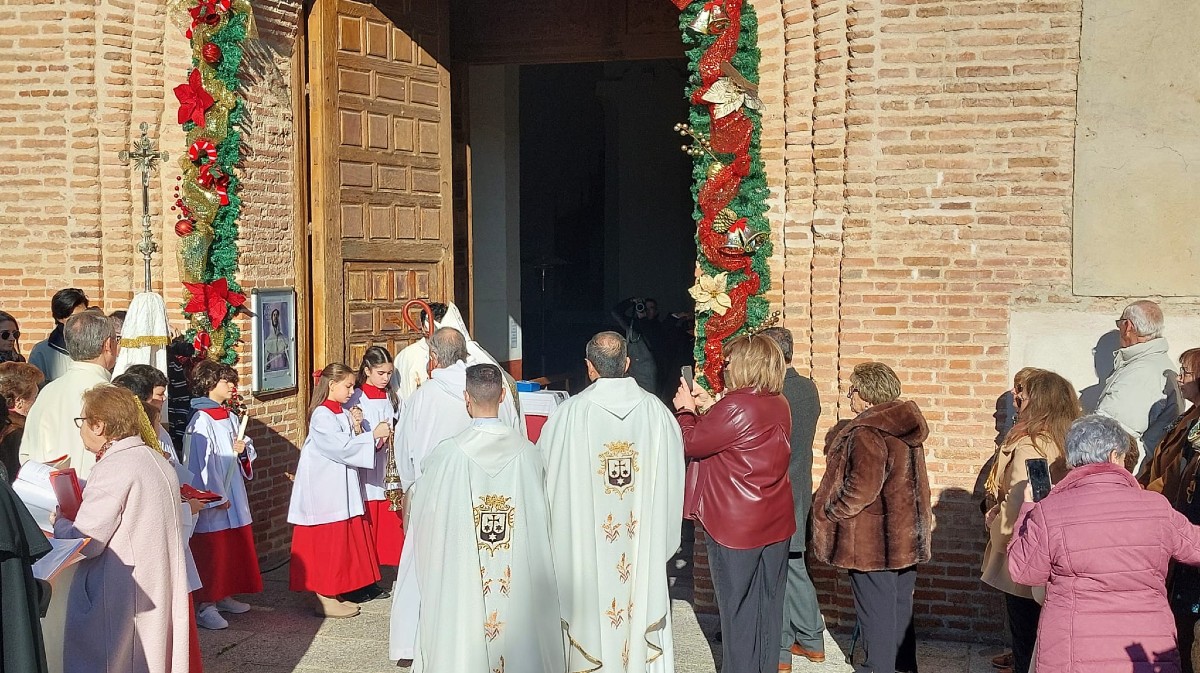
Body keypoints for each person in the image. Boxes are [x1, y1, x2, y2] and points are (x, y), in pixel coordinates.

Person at [538, 331, 684, 673]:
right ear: (628, 364)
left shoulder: (567, 416)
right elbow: (675, 480)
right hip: (640, 550)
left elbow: (546, 479)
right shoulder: (658, 415)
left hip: (586, 553)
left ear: (589, 368)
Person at [1008, 415, 1200, 673]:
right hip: (1144, 648)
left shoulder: (1049, 511)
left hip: (1072, 653)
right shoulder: (1157, 508)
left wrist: (1030, 507)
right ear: (1113, 456)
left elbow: (1025, 571)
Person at [408, 364, 564, 671]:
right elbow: (542, 519)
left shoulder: (446, 456)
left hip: (463, 576)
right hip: (517, 576)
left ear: (466, 398)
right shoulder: (529, 454)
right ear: (504, 396)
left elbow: (424, 515)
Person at [389, 327, 522, 661]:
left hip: (436, 499)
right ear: (465, 353)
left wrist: (409, 492)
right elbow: (515, 436)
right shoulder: (492, 388)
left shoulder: (422, 396)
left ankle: (421, 641)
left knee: (430, 569)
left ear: (433, 358)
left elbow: (405, 449)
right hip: (490, 495)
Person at [674, 334, 794, 673]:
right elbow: (737, 435)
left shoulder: (737, 405)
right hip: (775, 521)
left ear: (746, 364)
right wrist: (712, 405)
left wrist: (686, 411)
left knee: (737, 611)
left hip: (735, 525)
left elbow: (692, 442)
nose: (725, 367)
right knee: (768, 608)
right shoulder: (778, 401)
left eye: (730, 362)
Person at [53, 384, 189, 673]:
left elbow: (87, 542)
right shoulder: (155, 459)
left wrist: (61, 524)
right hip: (154, 581)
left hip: (120, 590)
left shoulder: (115, 467)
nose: (80, 430)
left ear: (99, 425)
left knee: (112, 661)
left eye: (82, 422)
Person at [811, 362, 932, 673]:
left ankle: (879, 668)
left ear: (864, 395)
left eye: (852, 390)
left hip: (872, 542)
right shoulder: (903, 428)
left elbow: (862, 486)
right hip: (905, 536)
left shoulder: (867, 431)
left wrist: (831, 510)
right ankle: (903, 667)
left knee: (875, 612)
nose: (850, 396)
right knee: (899, 608)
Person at [980, 370, 1079, 673]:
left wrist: (996, 525)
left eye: (1023, 393)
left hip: (1028, 552)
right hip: (1060, 550)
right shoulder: (1067, 438)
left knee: (1026, 641)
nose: (1017, 398)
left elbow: (1027, 500)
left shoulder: (1032, 445)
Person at [113, 364, 206, 672]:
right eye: (156, 397)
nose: (161, 404)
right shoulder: (134, 444)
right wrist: (185, 510)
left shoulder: (156, 433)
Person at [289, 363, 390, 618]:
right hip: (325, 490)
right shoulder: (322, 415)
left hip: (340, 486)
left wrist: (362, 430)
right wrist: (370, 436)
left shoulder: (341, 412)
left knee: (340, 542)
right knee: (326, 543)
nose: (351, 391)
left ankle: (334, 591)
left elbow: (350, 443)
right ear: (331, 385)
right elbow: (340, 448)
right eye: (347, 386)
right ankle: (323, 595)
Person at [760, 327, 825, 670]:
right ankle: (813, 638)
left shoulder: (775, 393)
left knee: (778, 570)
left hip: (776, 492)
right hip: (798, 486)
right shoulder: (808, 388)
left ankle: (782, 650)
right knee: (793, 564)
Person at [185, 359, 262, 630]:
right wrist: (214, 496)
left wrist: (243, 451)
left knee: (231, 548)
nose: (232, 386)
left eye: (233, 381)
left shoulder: (228, 416)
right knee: (213, 550)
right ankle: (207, 605)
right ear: (208, 384)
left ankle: (224, 594)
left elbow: (243, 448)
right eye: (226, 381)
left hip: (234, 492)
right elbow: (199, 463)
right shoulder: (201, 420)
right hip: (217, 497)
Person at [20, 310, 117, 478]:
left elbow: (26, 456)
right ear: (108, 344)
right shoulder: (114, 397)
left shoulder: (46, 393)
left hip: (45, 496)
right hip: (96, 496)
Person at [1094, 300, 1180, 474]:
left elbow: (1109, 436)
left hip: (1130, 476)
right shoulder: (1149, 364)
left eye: (1120, 324)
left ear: (1127, 326)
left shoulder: (1144, 371)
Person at [348, 346, 404, 573]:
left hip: (389, 468)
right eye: (380, 373)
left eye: (389, 373)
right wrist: (373, 437)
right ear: (367, 370)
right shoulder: (356, 398)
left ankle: (384, 570)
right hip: (368, 471)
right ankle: (367, 573)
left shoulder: (393, 397)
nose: (386, 378)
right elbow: (351, 436)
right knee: (370, 523)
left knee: (390, 525)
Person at [1140, 348, 1200, 502]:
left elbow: (1176, 473)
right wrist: (1140, 482)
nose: (1179, 379)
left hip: (1172, 506)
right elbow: (1160, 455)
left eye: (1185, 372)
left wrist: (1146, 495)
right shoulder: (1189, 414)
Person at [27, 288, 89, 384]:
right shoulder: (41, 352)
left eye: (85, 315)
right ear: (60, 318)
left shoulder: (96, 346)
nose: (82, 321)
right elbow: (33, 389)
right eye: (74, 317)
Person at [0, 361, 43, 482]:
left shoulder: (6, 424)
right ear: (19, 401)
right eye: (35, 397)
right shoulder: (17, 434)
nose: (37, 402)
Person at [610, 297, 658, 394]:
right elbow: (615, 312)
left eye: (651, 308)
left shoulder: (659, 327)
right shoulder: (632, 324)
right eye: (644, 308)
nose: (647, 311)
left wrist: (643, 318)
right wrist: (631, 302)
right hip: (630, 373)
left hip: (649, 376)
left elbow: (651, 337)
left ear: (656, 311)